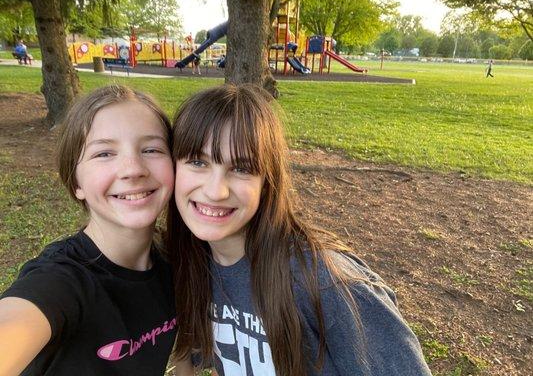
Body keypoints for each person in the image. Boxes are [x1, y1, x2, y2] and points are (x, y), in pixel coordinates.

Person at [166, 84, 432, 375]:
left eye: (242, 168)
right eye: (197, 162)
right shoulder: (193, 264)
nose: (216, 191)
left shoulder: (324, 281)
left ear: (266, 182)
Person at [0, 85, 194, 375]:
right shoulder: (61, 281)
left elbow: (183, 355)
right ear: (76, 182)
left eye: (151, 149)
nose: (133, 169)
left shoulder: (173, 261)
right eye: (104, 153)